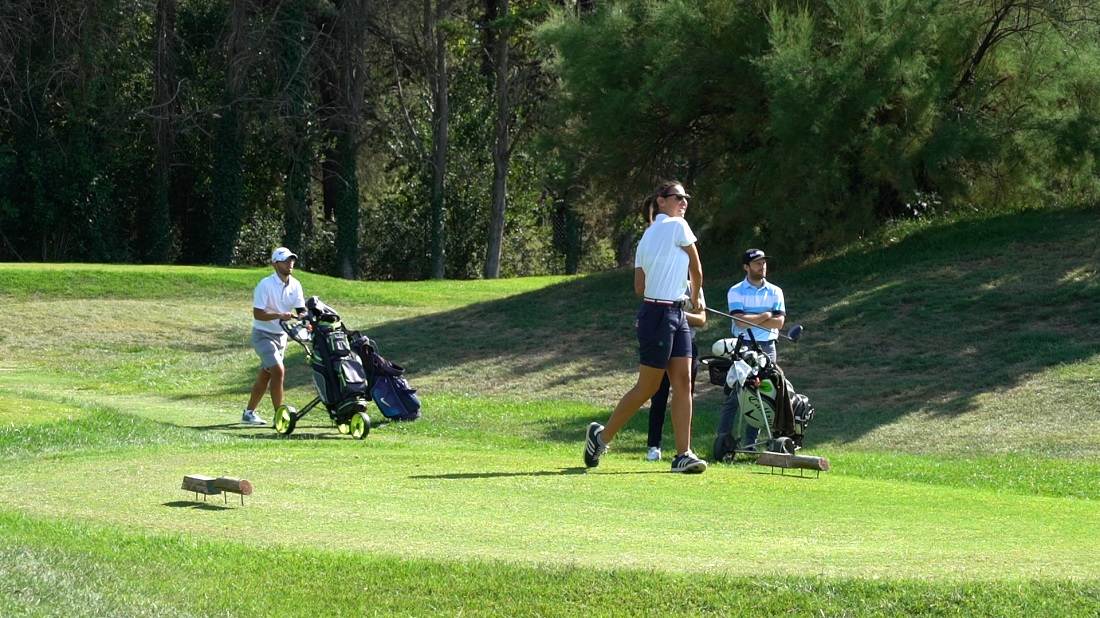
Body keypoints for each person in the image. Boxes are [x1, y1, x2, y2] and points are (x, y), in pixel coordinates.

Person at [584, 180, 708, 474]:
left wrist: (673, 290)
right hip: (661, 316)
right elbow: (697, 268)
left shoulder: (646, 238)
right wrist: (693, 297)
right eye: (678, 197)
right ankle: (600, 438)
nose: (684, 202)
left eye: (686, 198)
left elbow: (640, 286)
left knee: (682, 384)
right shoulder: (678, 226)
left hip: (667, 314)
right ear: (661, 201)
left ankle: (683, 455)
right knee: (648, 386)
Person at [713, 248, 786, 459]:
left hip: (768, 347)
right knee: (734, 397)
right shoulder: (735, 291)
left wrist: (752, 318)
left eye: (764, 262)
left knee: (762, 396)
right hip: (742, 348)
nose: (762, 266)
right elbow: (739, 321)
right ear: (746, 267)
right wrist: (765, 315)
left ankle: (751, 445)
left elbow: (779, 322)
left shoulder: (775, 291)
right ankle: (723, 442)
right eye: (757, 263)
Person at [241, 247, 306, 425]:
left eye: (291, 260)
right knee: (278, 370)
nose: (290, 264)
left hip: (281, 336)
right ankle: (280, 417)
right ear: (275, 264)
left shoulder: (296, 285)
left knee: (265, 375)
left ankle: (248, 414)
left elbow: (301, 309)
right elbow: (258, 314)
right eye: (285, 261)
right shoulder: (265, 285)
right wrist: (279, 315)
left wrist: (303, 317)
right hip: (262, 335)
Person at [645, 285, 705, 461]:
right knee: (658, 394)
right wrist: (671, 311)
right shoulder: (663, 280)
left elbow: (701, 320)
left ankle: (685, 448)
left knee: (685, 395)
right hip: (663, 341)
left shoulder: (693, 286)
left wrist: (677, 313)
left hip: (687, 345)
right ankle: (654, 446)